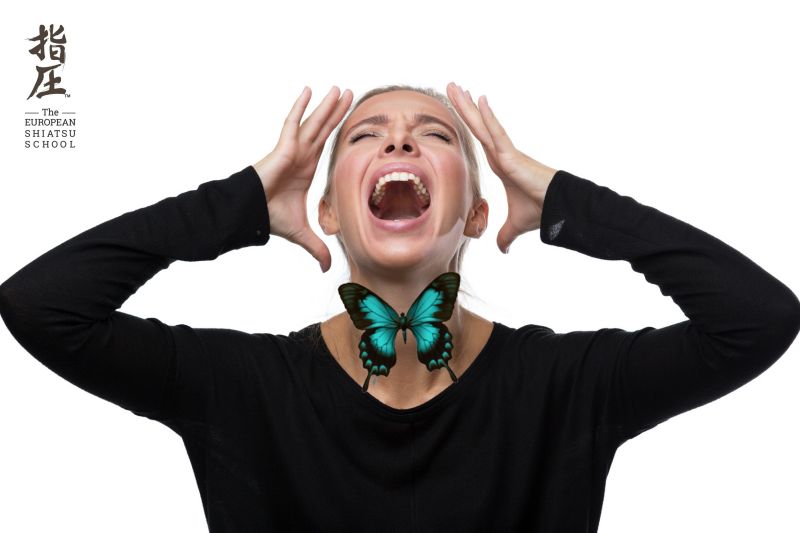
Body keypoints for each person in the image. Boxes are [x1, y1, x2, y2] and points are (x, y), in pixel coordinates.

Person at [0, 82, 798, 532]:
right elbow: (41, 305)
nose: (399, 144)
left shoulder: (564, 385)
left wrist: (563, 201)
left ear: (479, 213)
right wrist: (237, 203)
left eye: (433, 135)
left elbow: (758, 318)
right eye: (366, 136)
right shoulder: (243, 389)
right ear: (331, 213)